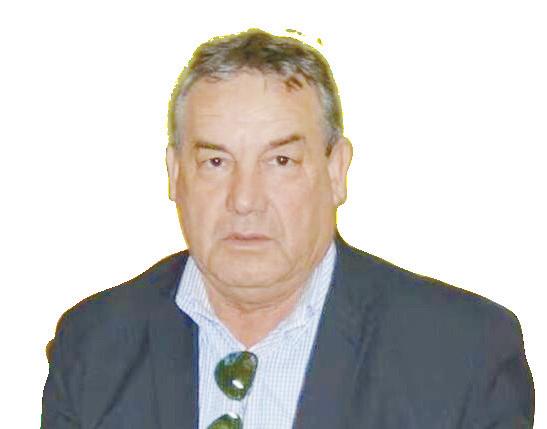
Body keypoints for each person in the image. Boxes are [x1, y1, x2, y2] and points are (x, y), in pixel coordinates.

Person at [42, 29, 534, 429]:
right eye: (215, 162)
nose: (244, 200)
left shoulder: (463, 355)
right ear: (174, 174)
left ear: (336, 171)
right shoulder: (93, 345)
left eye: (280, 161)